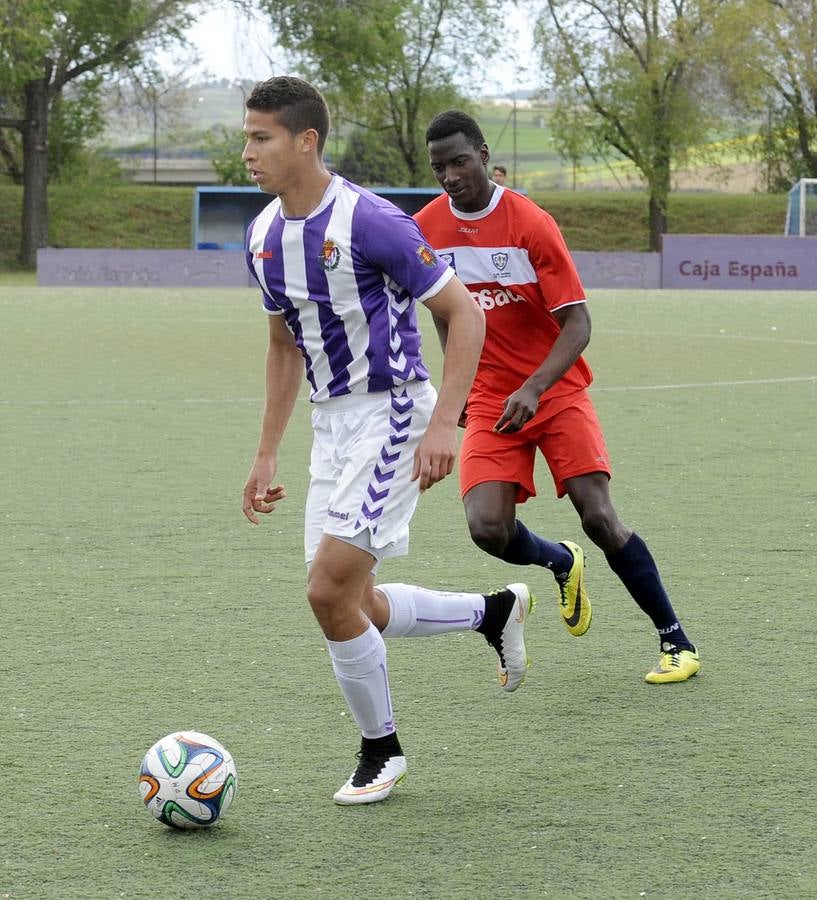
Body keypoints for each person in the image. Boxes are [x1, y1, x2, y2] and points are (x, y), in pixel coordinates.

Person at [241, 78, 536, 807]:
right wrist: (266, 452)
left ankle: (383, 751)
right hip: (331, 424)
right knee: (353, 603)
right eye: (246, 136)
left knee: (325, 590)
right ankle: (489, 613)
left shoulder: (371, 222)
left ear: (305, 141)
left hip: (396, 414)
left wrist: (444, 425)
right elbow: (284, 346)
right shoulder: (262, 236)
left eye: (261, 137)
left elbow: (464, 315)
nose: (246, 152)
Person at [415, 110, 700, 684]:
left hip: (555, 386)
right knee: (487, 529)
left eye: (459, 161)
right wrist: (461, 387)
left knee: (598, 515)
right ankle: (558, 560)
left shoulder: (530, 222)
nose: (450, 176)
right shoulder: (424, 228)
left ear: (484, 153)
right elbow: (445, 317)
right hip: (494, 397)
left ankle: (676, 642)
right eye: (439, 167)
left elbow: (578, 323)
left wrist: (535, 385)